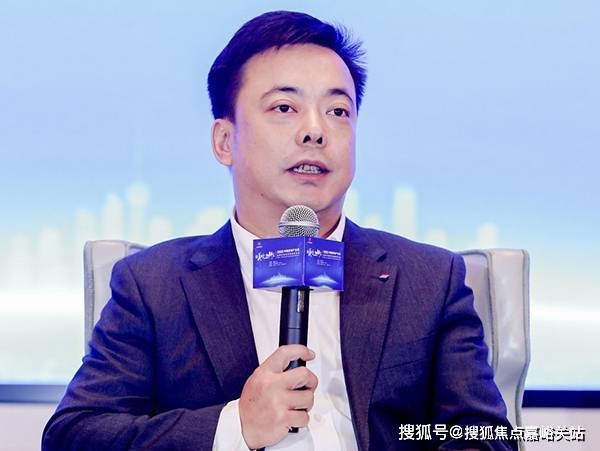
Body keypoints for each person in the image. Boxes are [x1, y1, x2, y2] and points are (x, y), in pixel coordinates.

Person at [43, 10, 516, 450]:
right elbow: (74, 435)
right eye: (285, 107)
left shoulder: (429, 280)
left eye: (338, 111)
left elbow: (485, 436)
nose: (315, 131)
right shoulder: (154, 285)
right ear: (225, 141)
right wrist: (236, 426)